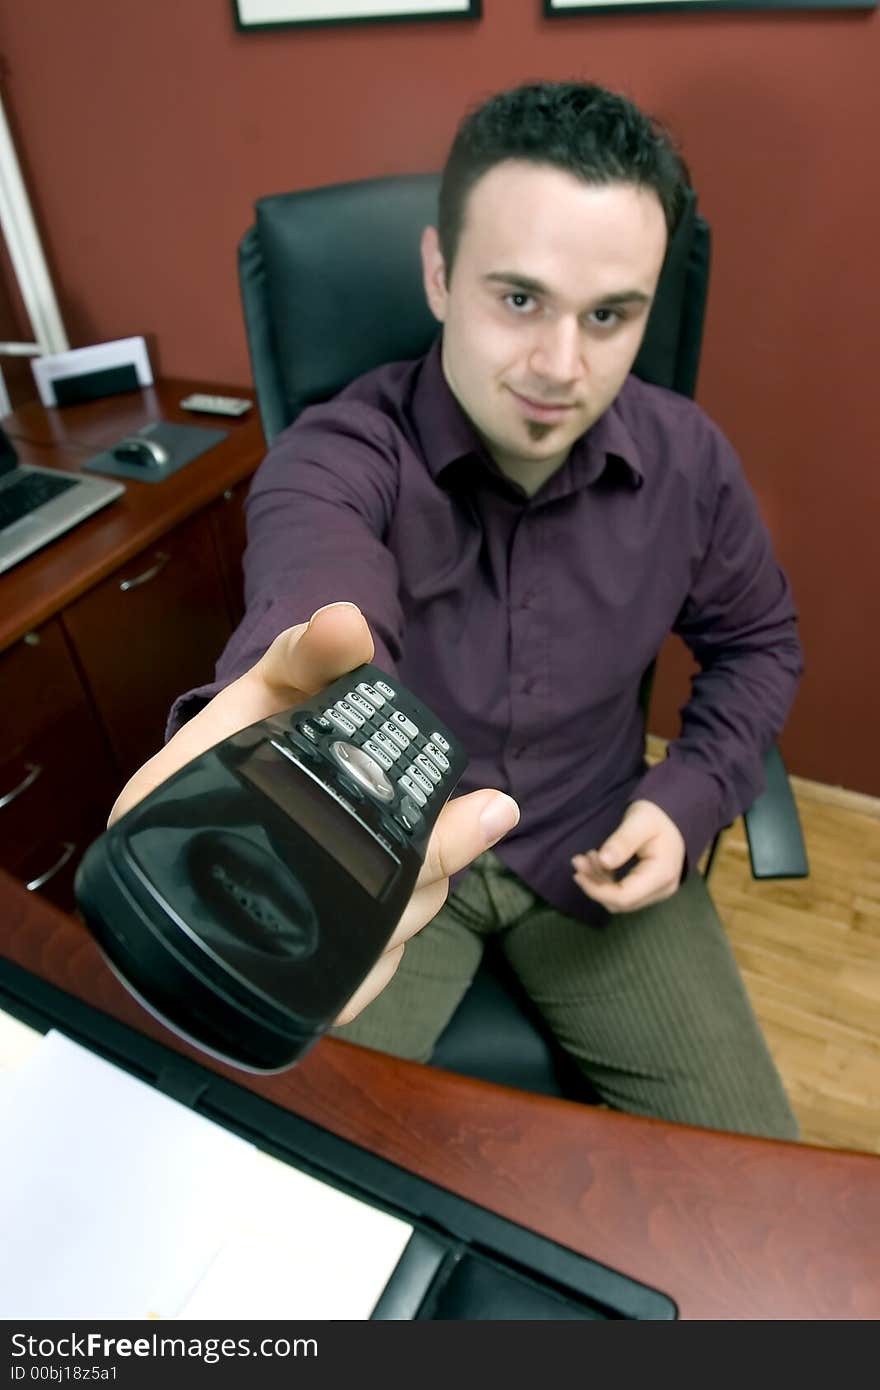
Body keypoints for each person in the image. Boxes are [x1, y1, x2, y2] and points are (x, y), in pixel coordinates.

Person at [114, 80, 803, 1137]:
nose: (560, 370)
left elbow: (757, 644)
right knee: (276, 1166)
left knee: (750, 1199)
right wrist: (278, 724)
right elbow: (314, 606)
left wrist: (690, 797)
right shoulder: (337, 455)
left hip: (595, 842)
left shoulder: (689, 464)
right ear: (439, 273)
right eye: (518, 299)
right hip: (387, 855)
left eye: (609, 315)